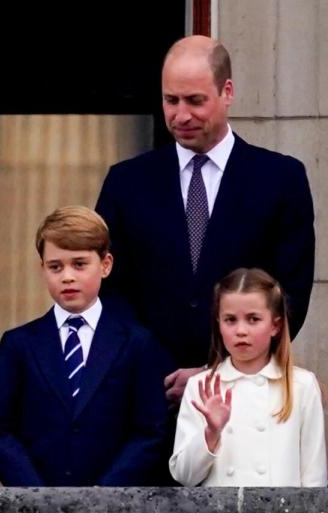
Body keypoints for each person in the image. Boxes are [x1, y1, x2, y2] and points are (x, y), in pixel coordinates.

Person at [95, 35, 314, 406]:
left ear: (227, 92)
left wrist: (219, 372)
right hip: (149, 399)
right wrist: (155, 369)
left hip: (245, 400)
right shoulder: (126, 182)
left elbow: (289, 295)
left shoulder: (281, 180)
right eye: (171, 100)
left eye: (195, 101)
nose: (181, 116)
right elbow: (109, 289)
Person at [0, 206, 170, 487]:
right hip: (37, 500)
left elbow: (149, 431)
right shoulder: (18, 343)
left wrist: (104, 494)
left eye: (79, 264)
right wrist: (35, 493)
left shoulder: (136, 343)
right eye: (55, 266)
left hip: (112, 503)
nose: (67, 276)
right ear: (43, 269)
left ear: (105, 265)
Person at [170, 268, 325, 513]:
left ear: (275, 325)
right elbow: (184, 474)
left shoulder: (301, 386)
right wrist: (211, 433)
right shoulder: (201, 386)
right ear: (218, 324)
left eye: (253, 319)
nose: (241, 330)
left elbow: (314, 475)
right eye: (230, 320)